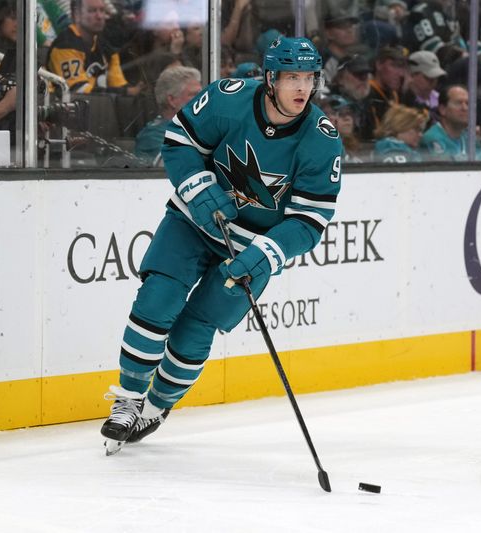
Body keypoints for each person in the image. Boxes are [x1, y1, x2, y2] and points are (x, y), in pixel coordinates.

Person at [99, 36, 343, 451]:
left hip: (252, 247)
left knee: (196, 332)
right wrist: (197, 186)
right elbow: (179, 142)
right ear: (270, 78)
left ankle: (155, 409)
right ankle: (127, 400)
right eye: (291, 78)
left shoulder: (321, 138)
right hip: (193, 222)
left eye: (308, 78)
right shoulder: (227, 99)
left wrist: (265, 254)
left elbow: (310, 219)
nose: (302, 88)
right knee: (157, 298)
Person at [47, 0, 143, 95]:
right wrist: (127, 92)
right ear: (76, 14)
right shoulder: (65, 47)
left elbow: (119, 85)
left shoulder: (106, 48)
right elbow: (77, 90)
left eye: (102, 10)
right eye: (92, 11)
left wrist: (135, 91)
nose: (99, 16)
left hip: (99, 108)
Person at [134, 66, 202, 165]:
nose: (202, 99)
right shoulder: (153, 137)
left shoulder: (197, 129)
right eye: (194, 94)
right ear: (172, 100)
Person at [420, 84, 481, 161]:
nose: (465, 108)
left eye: (468, 104)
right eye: (458, 103)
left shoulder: (470, 139)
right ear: (443, 109)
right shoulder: (431, 139)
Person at [361, 45, 407, 140]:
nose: (401, 74)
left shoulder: (395, 95)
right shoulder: (367, 94)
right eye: (394, 66)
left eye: (403, 67)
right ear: (379, 65)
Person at [401, 50, 446, 123]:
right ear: (411, 75)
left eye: (436, 77)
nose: (433, 82)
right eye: (428, 78)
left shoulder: (439, 99)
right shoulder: (403, 101)